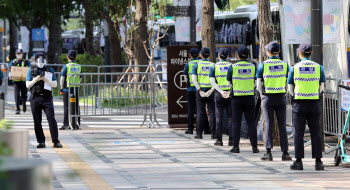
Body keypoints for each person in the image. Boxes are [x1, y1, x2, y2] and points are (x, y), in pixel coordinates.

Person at [287, 43, 325, 170]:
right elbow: (322, 87)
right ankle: (318, 162)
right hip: (314, 103)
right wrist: (315, 94)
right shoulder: (319, 68)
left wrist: (294, 96)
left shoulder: (294, 68)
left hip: (299, 104)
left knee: (299, 133)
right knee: (316, 133)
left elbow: (290, 86)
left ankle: (298, 162)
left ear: (299, 53)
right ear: (311, 53)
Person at [256, 42, 292, 161]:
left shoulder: (263, 65)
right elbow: (289, 81)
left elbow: (258, 83)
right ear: (279, 51)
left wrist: (262, 95)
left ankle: (268, 153)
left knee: (269, 124)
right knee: (282, 125)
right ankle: (285, 153)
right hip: (281, 97)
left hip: (268, 97)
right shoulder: (284, 64)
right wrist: (286, 91)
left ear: (268, 52)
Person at [26, 52, 62, 148]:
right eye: (39, 59)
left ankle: (56, 141)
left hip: (47, 98)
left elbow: (55, 84)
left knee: (51, 119)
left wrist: (47, 80)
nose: (41, 62)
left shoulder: (49, 70)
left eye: (42, 59)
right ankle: (41, 141)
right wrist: (35, 79)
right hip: (35, 97)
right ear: (35, 60)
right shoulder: (31, 70)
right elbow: (27, 85)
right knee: (37, 121)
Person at [227, 46, 259, 153]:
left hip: (236, 98)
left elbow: (229, 82)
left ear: (237, 55)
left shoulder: (232, 67)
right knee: (251, 122)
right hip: (250, 97)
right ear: (248, 56)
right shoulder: (253, 66)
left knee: (236, 122)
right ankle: (254, 147)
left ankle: (236, 147)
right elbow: (255, 81)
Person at [209, 48, 233, 146]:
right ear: (228, 56)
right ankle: (231, 140)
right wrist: (229, 91)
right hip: (230, 94)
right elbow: (233, 81)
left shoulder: (214, 66)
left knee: (219, 117)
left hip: (219, 94)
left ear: (218, 56)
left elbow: (212, 82)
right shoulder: (232, 66)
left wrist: (220, 91)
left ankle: (219, 140)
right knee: (231, 117)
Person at [192, 47, 216, 139]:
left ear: (200, 55)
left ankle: (199, 134)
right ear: (209, 55)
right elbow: (216, 79)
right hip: (211, 91)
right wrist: (212, 89)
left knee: (201, 112)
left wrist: (199, 90)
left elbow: (194, 79)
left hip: (200, 91)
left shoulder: (197, 65)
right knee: (212, 111)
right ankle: (213, 134)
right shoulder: (213, 65)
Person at [59, 50, 82, 130]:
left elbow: (62, 79)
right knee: (76, 107)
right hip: (76, 89)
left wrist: (61, 88)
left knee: (66, 107)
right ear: (76, 57)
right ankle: (77, 123)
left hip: (67, 90)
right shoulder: (79, 66)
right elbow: (81, 78)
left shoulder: (66, 66)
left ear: (67, 57)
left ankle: (66, 124)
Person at [9, 49, 31, 114]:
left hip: (24, 81)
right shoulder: (13, 61)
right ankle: (17, 108)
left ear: (22, 54)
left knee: (24, 94)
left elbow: (29, 68)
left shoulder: (26, 62)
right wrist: (13, 66)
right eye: (18, 54)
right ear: (16, 54)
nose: (19, 55)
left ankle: (24, 104)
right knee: (17, 95)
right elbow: (10, 69)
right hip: (16, 81)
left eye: (20, 53)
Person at [184, 48, 200, 134]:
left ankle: (190, 128)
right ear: (198, 54)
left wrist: (188, 83)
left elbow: (185, 76)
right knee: (200, 110)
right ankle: (200, 129)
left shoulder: (188, 65)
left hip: (190, 89)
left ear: (190, 55)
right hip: (200, 89)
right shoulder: (200, 64)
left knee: (191, 109)